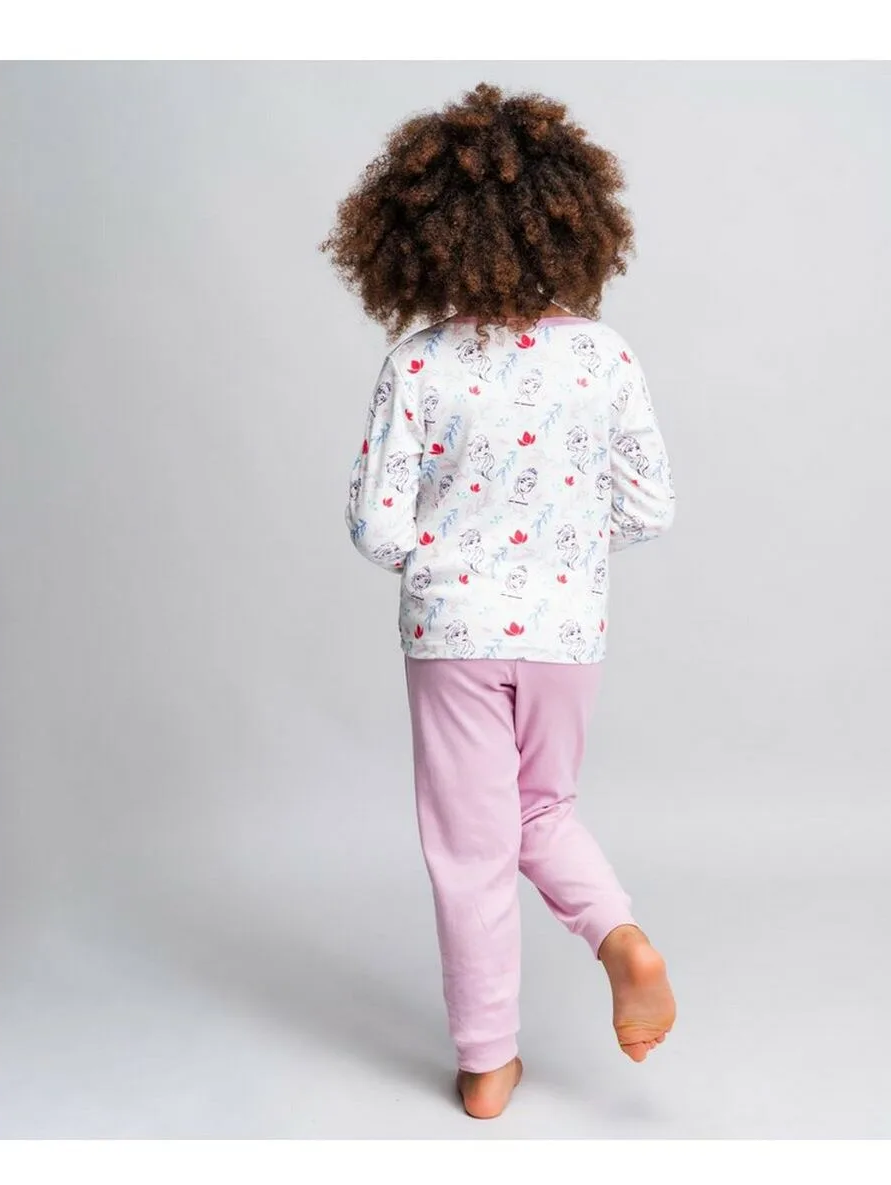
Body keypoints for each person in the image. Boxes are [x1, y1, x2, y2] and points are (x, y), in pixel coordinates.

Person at [322, 82, 677, 1119]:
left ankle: (487, 1065)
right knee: (543, 813)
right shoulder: (605, 356)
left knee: (471, 848)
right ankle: (621, 938)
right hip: (567, 630)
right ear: (574, 224)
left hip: (454, 632)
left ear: (419, 235)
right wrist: (563, 550)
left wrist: (444, 556)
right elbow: (651, 506)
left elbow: (377, 527)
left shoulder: (419, 364)